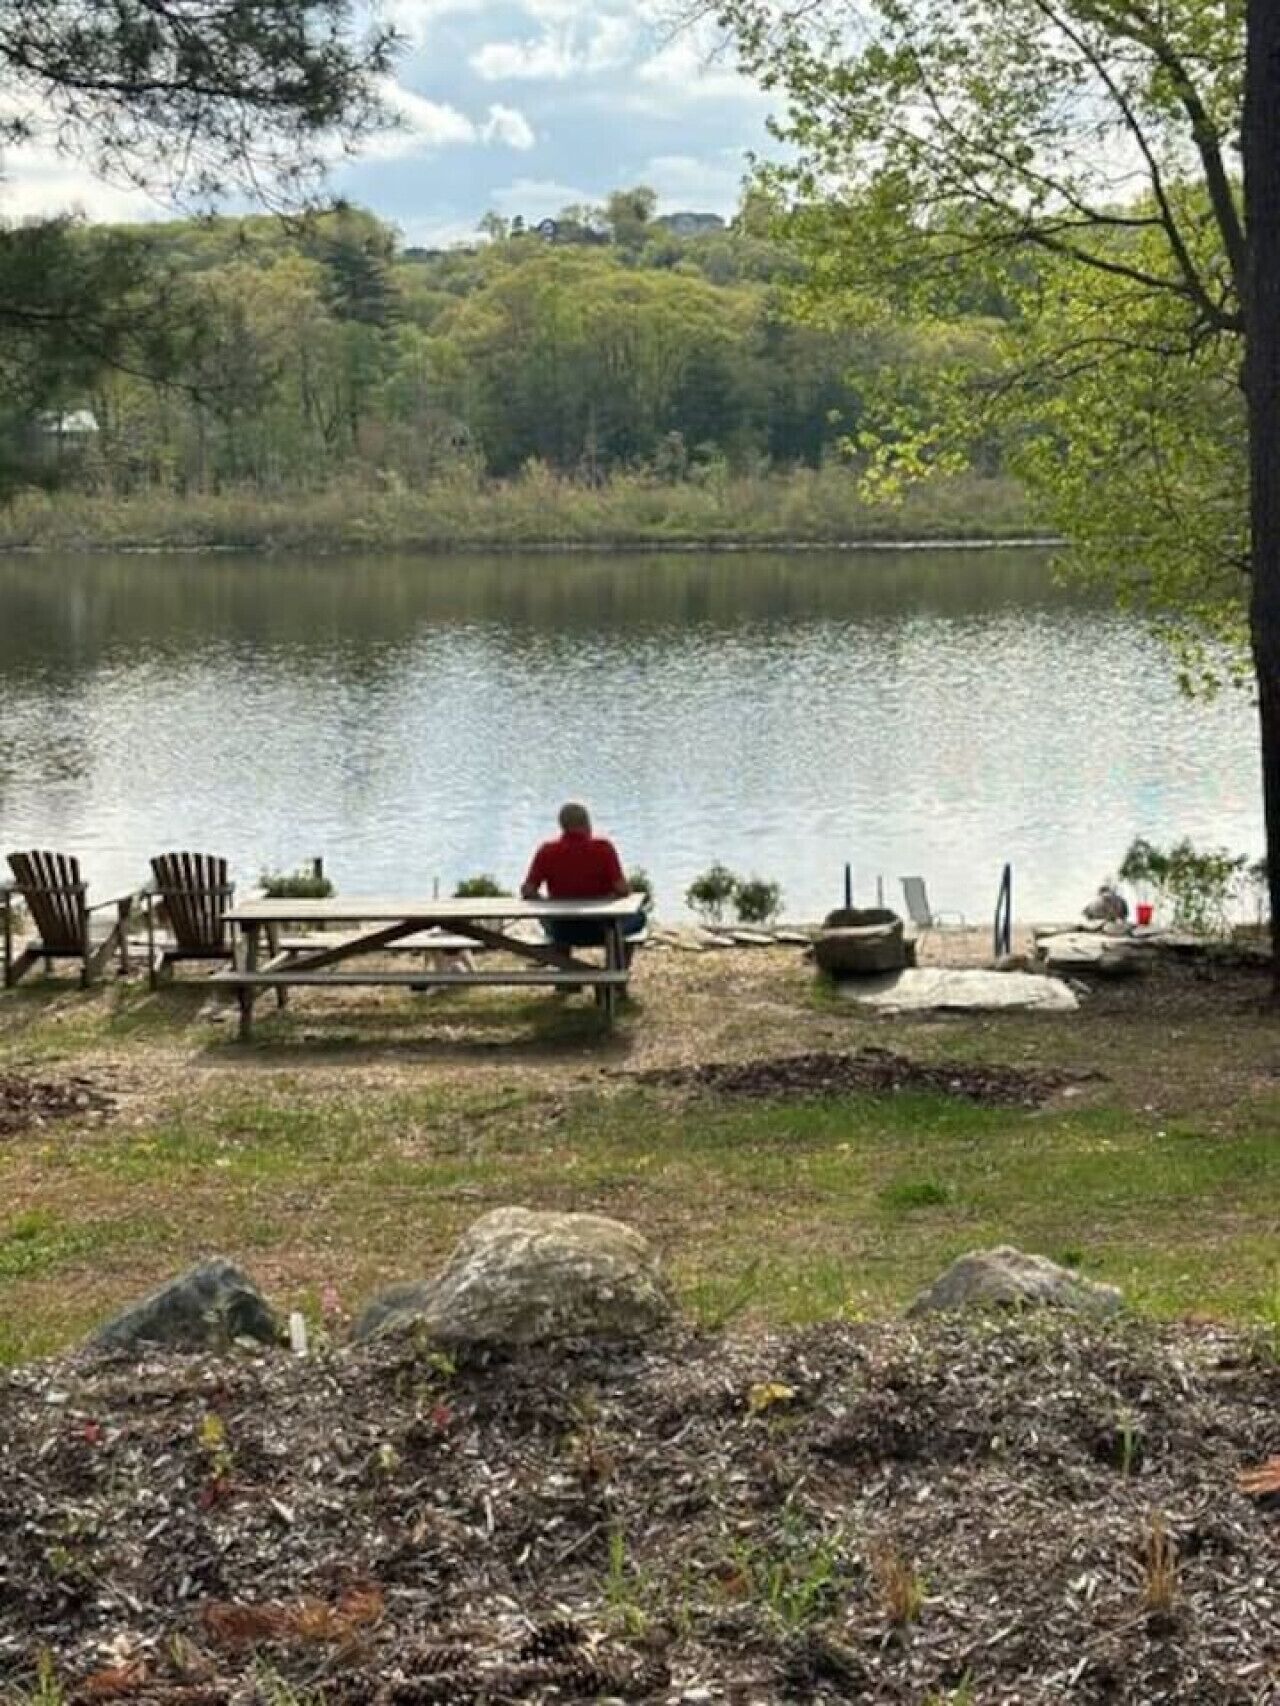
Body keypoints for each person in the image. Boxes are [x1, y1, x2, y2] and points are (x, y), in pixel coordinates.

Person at [522, 802, 647, 967]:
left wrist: (548, 905)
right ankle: (617, 970)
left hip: (562, 930)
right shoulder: (603, 848)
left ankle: (566, 969)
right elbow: (621, 889)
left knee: (554, 918)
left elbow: (528, 891)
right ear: (587, 823)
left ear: (562, 826)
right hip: (602, 929)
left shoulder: (547, 851)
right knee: (639, 917)